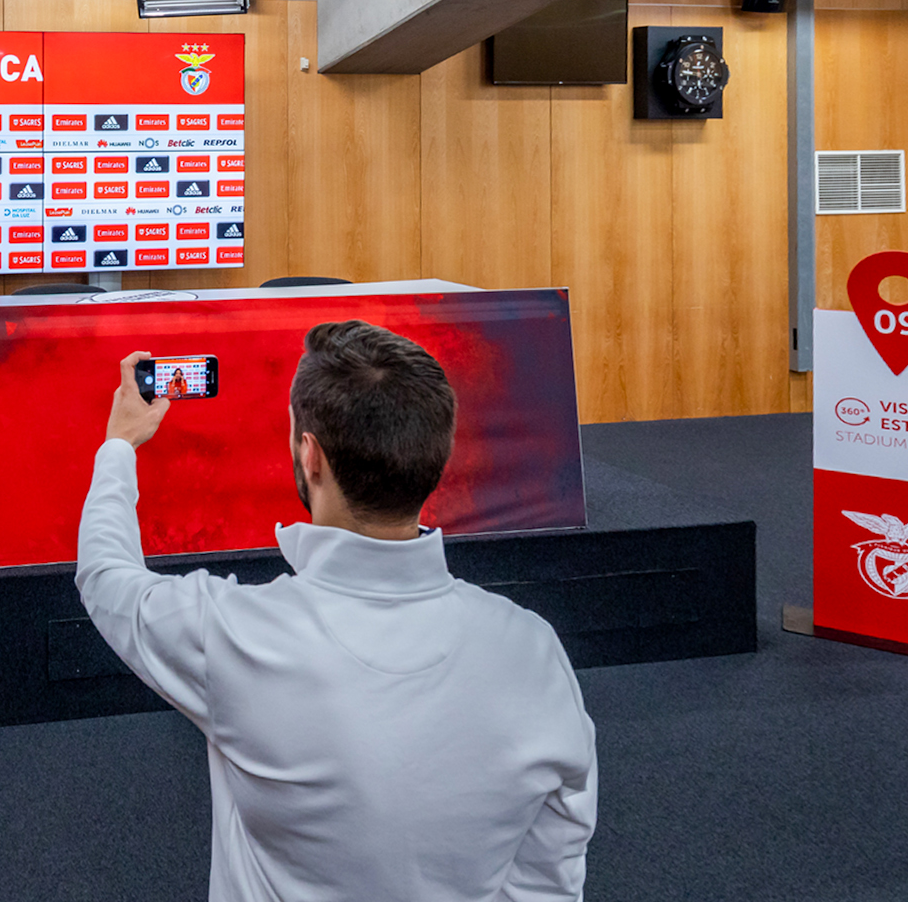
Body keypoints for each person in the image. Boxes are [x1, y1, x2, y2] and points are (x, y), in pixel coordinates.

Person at [76, 321, 597, 902]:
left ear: (311, 455)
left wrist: (119, 445)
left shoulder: (234, 634)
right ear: (435, 457)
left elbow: (106, 578)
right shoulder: (534, 650)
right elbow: (554, 859)